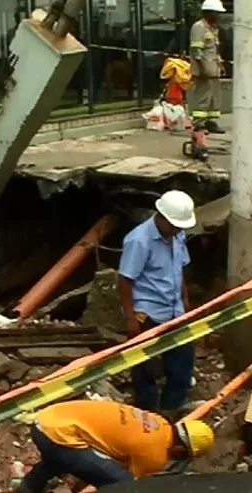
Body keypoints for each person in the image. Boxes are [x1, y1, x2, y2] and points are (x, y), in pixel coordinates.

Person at [17, 400, 214, 493]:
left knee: (64, 457)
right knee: (122, 484)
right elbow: (128, 483)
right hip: (57, 435)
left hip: (49, 418)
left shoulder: (159, 422)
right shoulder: (155, 455)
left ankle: (28, 488)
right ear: (180, 450)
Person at [118, 190, 196, 419]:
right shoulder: (139, 240)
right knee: (144, 368)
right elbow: (124, 280)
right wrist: (131, 319)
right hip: (148, 312)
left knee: (182, 362)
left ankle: (171, 411)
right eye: (173, 226)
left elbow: (180, 269)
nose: (177, 230)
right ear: (161, 217)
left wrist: (185, 302)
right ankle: (147, 415)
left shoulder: (177, 235)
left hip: (175, 311)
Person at [189, 0, 226, 134]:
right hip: (204, 70)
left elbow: (214, 49)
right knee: (203, 98)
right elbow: (196, 50)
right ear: (209, 13)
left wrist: (220, 64)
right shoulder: (199, 27)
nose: (220, 16)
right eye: (218, 13)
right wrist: (202, 68)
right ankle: (199, 124)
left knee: (215, 98)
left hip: (213, 69)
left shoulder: (213, 28)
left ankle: (212, 122)